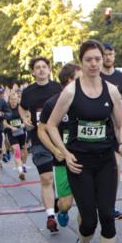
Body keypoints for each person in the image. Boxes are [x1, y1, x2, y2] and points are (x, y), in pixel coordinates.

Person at [45, 40, 122, 243]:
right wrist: (64, 152)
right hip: (79, 164)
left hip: (105, 162)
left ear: (103, 60)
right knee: (89, 221)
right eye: (89, 59)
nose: (94, 64)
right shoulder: (71, 91)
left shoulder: (112, 91)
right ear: (81, 62)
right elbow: (50, 125)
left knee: (107, 215)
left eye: (98, 59)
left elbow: (118, 125)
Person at [20, 57, 63, 231]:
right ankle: (50, 217)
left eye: (44, 67)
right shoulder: (28, 91)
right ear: (33, 71)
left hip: (58, 137)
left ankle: (58, 202)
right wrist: (24, 118)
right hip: (38, 137)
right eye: (37, 67)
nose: (41, 70)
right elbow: (22, 108)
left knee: (57, 178)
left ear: (49, 69)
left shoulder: (58, 88)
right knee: (46, 177)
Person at [38, 63, 80, 233]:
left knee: (86, 203)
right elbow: (41, 130)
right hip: (62, 159)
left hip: (84, 158)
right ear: (68, 80)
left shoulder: (88, 99)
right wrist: (55, 150)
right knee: (66, 203)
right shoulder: (52, 103)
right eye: (79, 78)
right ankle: (61, 209)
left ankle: (83, 239)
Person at [101, 42, 122, 220]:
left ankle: (111, 204)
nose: (108, 57)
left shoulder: (121, 78)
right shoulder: (97, 76)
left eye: (111, 54)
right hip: (100, 127)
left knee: (116, 166)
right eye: (105, 54)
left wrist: (121, 104)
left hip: (117, 127)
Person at [3, 91, 28, 180]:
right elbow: (4, 123)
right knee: (16, 150)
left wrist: (24, 123)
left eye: (15, 99)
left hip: (22, 132)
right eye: (12, 99)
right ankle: (20, 171)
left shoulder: (21, 108)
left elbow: (28, 116)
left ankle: (24, 165)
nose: (13, 101)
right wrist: (11, 127)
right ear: (9, 100)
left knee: (24, 149)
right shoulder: (6, 109)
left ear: (18, 99)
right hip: (12, 133)